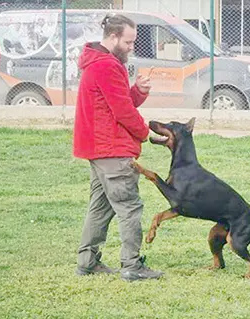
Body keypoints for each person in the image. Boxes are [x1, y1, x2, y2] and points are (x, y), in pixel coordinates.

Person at [72, 13, 163, 281]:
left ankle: (87, 262)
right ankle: (132, 266)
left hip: (98, 149)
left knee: (100, 207)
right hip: (111, 149)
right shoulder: (107, 66)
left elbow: (117, 102)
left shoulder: (98, 63)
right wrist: (144, 132)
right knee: (129, 207)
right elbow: (121, 110)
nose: (131, 47)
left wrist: (138, 90)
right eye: (128, 42)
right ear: (113, 37)